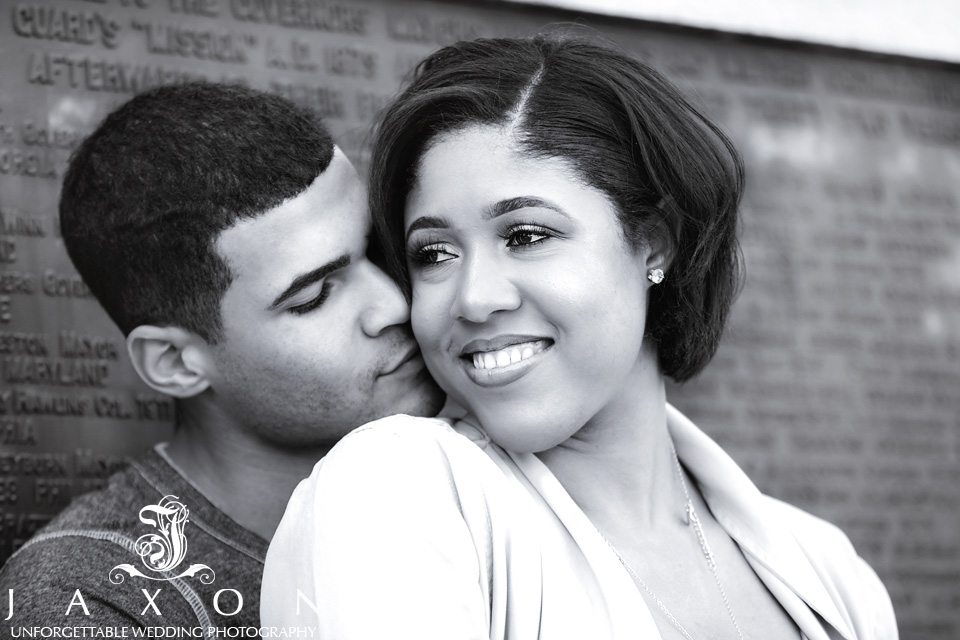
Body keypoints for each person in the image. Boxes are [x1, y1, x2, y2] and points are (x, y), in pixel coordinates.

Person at [261, 36, 898, 639]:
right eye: (433, 253)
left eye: (526, 236)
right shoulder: (396, 489)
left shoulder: (832, 573)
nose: (474, 297)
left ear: (653, 241)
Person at [0, 82, 443, 630]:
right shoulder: (87, 600)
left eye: (379, 249)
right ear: (175, 363)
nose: (395, 303)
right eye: (315, 296)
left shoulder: (486, 466)